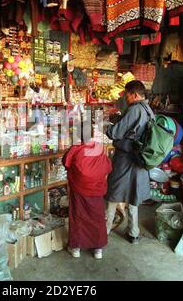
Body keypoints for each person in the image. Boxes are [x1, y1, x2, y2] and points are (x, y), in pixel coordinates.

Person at [105, 80, 153, 244]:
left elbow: (115, 133)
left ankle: (103, 232)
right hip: (140, 160)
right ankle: (133, 233)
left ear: (134, 94)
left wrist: (108, 127)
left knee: (113, 194)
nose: (125, 98)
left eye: (127, 95)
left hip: (126, 159)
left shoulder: (134, 109)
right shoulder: (148, 109)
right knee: (134, 195)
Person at [63, 122, 112, 259]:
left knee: (78, 216)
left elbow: (65, 163)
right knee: (97, 217)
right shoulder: (99, 147)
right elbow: (108, 166)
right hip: (97, 190)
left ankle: (76, 249)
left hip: (79, 189)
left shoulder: (75, 148)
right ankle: (98, 249)